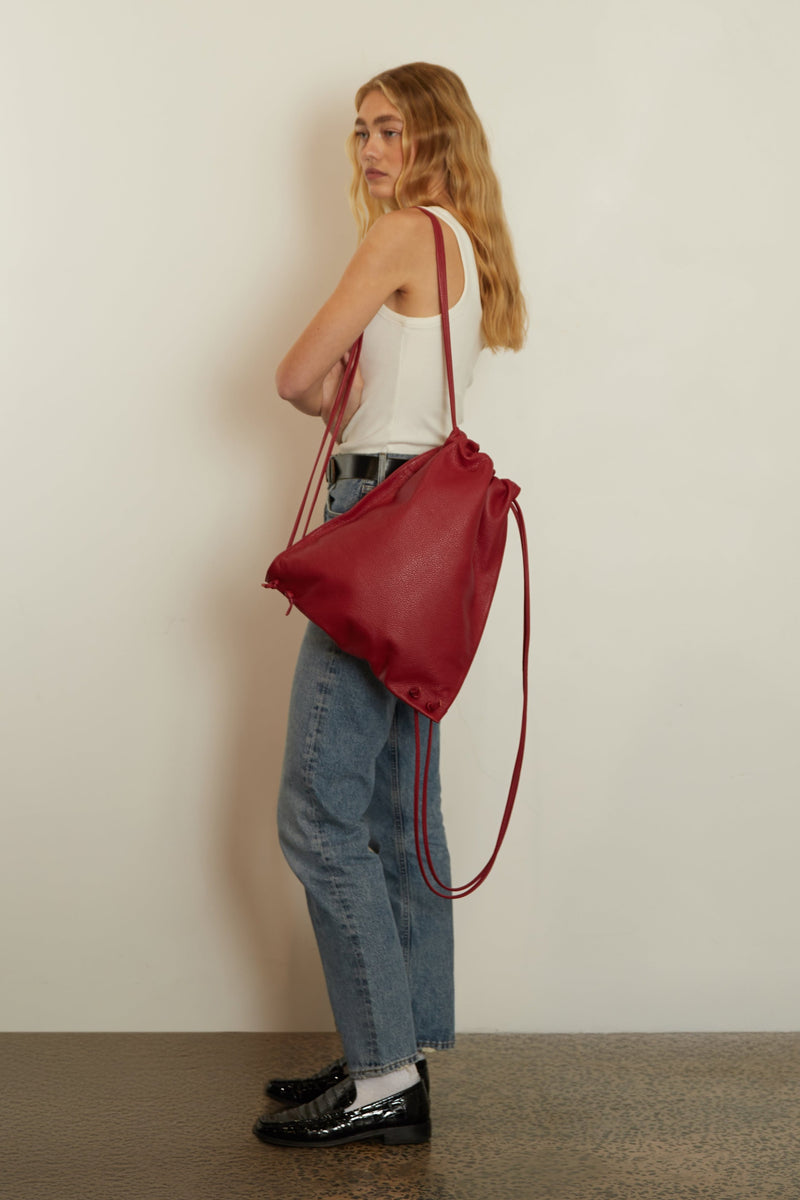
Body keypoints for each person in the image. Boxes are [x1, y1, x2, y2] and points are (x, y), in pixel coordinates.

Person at [253, 62, 527, 1148]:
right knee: (395, 813)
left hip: (380, 526)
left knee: (318, 813)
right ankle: (396, 1046)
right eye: (360, 130)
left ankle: (378, 1079)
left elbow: (293, 377)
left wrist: (340, 398)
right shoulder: (463, 241)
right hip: (434, 539)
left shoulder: (398, 234)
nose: (369, 149)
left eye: (391, 130)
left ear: (433, 140)